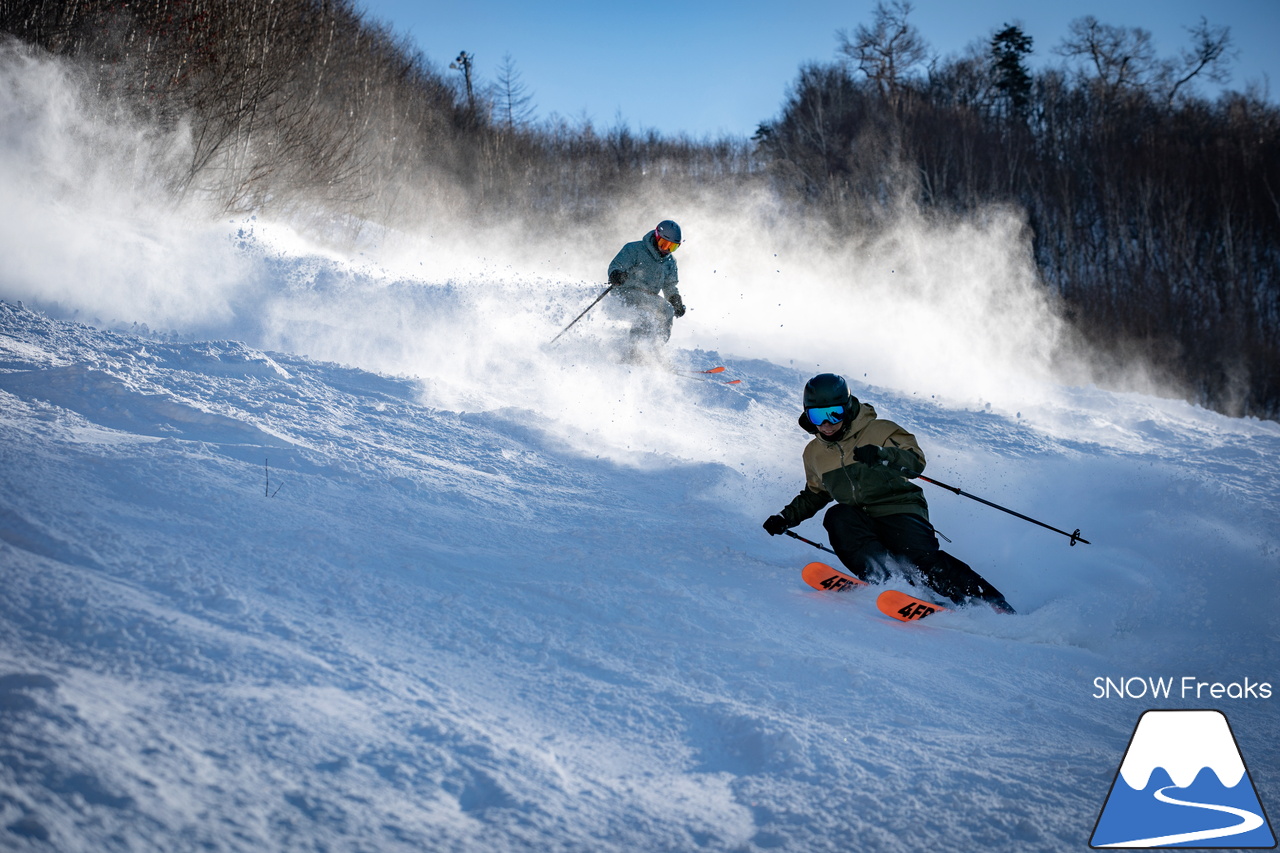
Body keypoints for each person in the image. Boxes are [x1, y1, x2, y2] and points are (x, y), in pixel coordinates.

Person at [763, 373, 1014, 612]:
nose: (827, 423)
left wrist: (883, 455)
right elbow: (816, 493)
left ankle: (990, 603)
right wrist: (786, 518)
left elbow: (915, 463)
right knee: (837, 516)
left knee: (918, 556)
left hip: (899, 508)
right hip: (859, 518)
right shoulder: (813, 453)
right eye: (818, 416)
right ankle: (891, 582)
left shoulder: (881, 430)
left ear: (848, 408)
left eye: (834, 413)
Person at [606, 220, 686, 360]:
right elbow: (617, 264)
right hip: (625, 292)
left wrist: (674, 298)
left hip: (648, 296)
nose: (666, 249)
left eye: (672, 247)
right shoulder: (635, 249)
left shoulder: (670, 262)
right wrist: (616, 274)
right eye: (664, 244)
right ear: (656, 236)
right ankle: (634, 352)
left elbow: (669, 285)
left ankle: (654, 350)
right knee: (646, 312)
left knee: (667, 310)